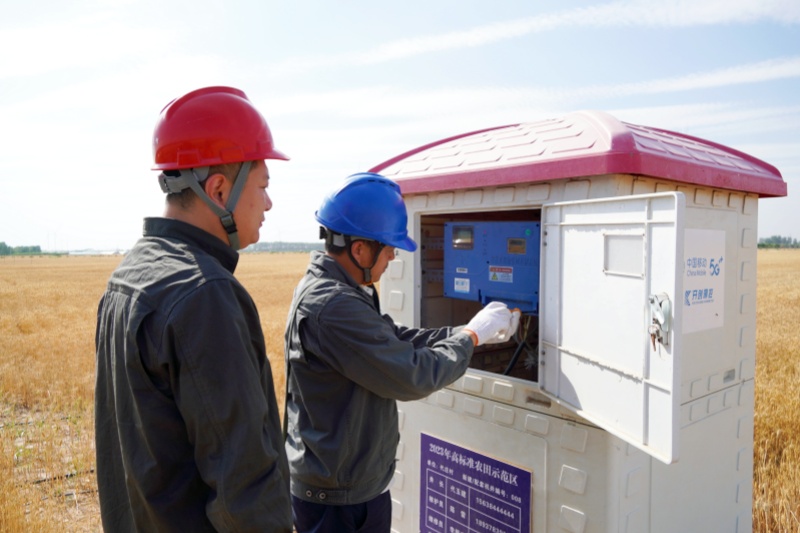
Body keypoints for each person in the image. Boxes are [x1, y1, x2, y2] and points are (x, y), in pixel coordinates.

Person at [94, 86, 293, 532]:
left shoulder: (128, 275)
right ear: (219, 189)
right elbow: (244, 488)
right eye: (262, 186)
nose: (268, 203)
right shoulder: (204, 294)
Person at [284, 173, 519, 533]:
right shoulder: (333, 305)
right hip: (339, 504)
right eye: (389, 246)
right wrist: (473, 336)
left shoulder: (335, 289)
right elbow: (412, 374)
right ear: (360, 249)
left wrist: (460, 331)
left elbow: (391, 338)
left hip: (345, 490)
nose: (393, 256)